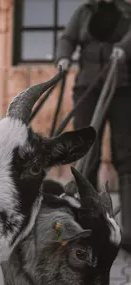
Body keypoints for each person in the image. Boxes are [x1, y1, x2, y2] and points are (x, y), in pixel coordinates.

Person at [56, 0, 131, 253]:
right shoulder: (85, 11)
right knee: (88, 157)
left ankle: (129, 233)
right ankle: (86, 229)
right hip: (87, 88)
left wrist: (125, 49)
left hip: (123, 90)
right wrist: (63, 56)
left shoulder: (128, 12)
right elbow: (68, 38)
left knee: (127, 158)